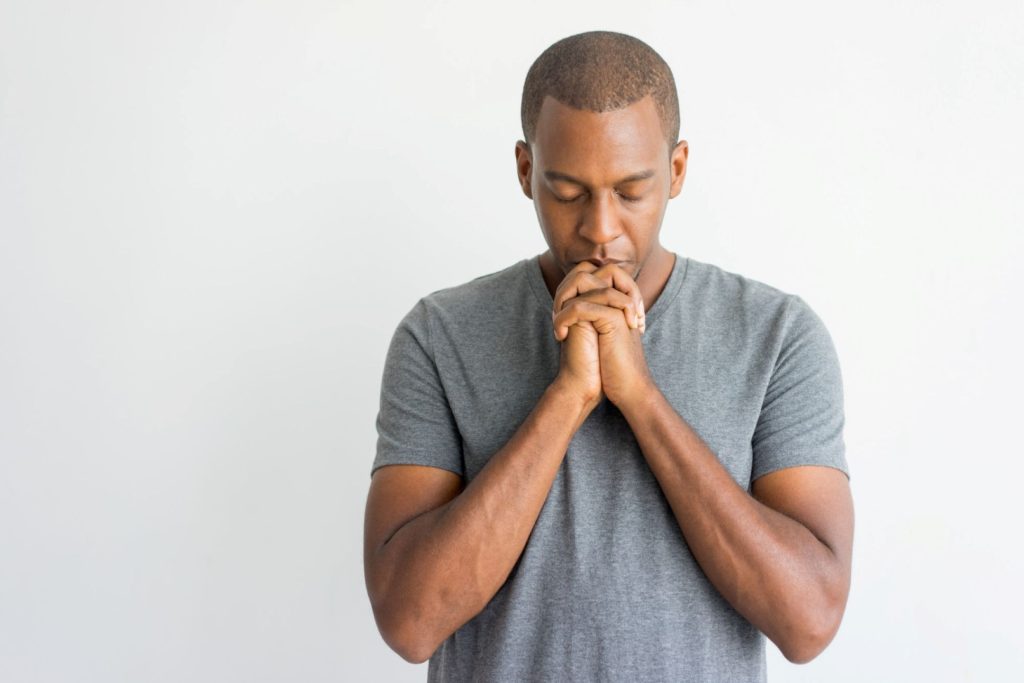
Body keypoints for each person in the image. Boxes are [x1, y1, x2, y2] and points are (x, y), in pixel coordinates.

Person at [363, 30, 854, 682]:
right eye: (566, 191)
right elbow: (409, 620)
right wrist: (568, 397)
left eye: (630, 190)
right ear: (524, 170)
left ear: (676, 171)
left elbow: (809, 621)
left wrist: (641, 398)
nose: (599, 227)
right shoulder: (438, 335)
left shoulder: (777, 335)